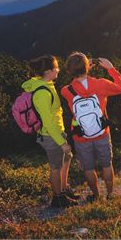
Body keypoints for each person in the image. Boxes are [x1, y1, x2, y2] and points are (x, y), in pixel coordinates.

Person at [61, 52, 121, 202]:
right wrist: (111, 69)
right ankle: (110, 194)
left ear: (70, 71)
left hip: (81, 136)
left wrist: (82, 70)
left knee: (89, 169)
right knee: (106, 164)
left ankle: (96, 196)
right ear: (87, 67)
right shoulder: (101, 84)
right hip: (102, 132)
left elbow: (74, 84)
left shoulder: (66, 91)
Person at [23, 55, 79, 208]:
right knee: (56, 167)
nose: (58, 70)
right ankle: (58, 198)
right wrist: (62, 143)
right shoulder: (42, 93)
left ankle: (63, 188)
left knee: (67, 157)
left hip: (57, 131)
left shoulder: (48, 84)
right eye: (56, 68)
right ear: (48, 71)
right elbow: (47, 121)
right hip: (50, 135)